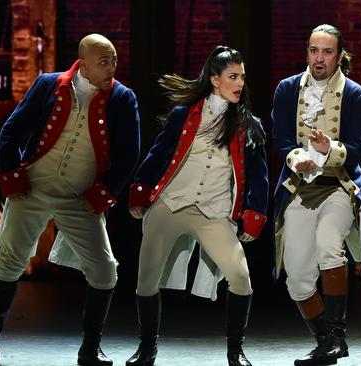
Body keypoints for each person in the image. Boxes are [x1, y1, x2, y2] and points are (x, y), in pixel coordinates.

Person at [0, 34, 139, 366]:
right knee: (7, 263)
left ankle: (91, 348)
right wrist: (12, 176)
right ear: (84, 63)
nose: (112, 67)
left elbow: (128, 154)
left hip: (79, 199)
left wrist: (103, 194)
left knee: (105, 271)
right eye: (104, 61)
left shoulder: (122, 97)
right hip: (32, 189)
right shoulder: (49, 85)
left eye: (114, 60)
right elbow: (11, 130)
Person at [126, 46, 268, 366]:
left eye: (242, 77)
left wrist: (252, 216)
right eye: (232, 77)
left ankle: (236, 351)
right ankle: (147, 347)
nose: (239, 83)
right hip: (171, 204)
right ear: (215, 80)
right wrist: (140, 192)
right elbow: (158, 155)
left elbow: (260, 176)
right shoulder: (184, 115)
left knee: (241, 277)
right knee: (146, 278)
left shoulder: (248, 124)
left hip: (213, 212)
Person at [271, 24, 361, 366]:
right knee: (298, 277)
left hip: (340, 187)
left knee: (328, 242)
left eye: (327, 51)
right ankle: (326, 340)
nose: (319, 58)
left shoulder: (355, 94)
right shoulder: (288, 89)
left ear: (339, 56)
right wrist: (296, 159)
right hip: (300, 188)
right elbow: (282, 140)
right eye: (314, 50)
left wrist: (328, 148)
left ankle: (337, 336)